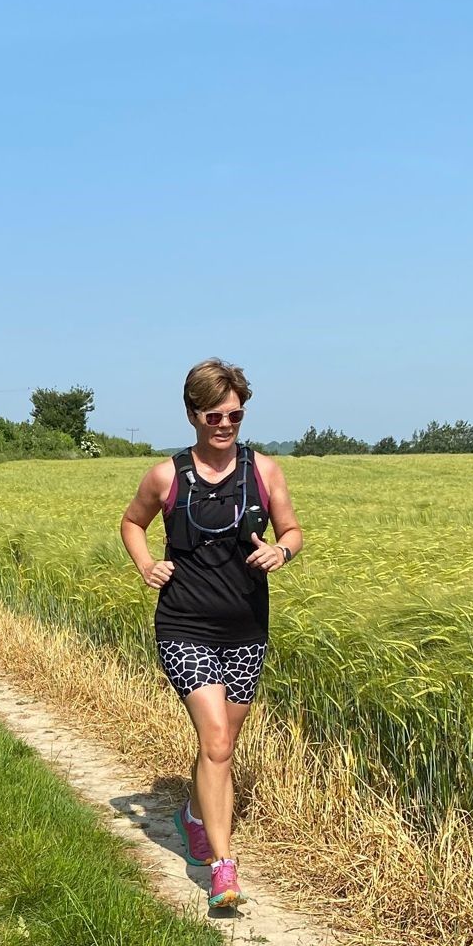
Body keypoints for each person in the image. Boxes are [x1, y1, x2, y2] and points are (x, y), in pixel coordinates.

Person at [120, 358, 302, 913]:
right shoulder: (167, 476)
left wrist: (282, 549)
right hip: (184, 624)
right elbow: (132, 522)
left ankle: (194, 815)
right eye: (214, 414)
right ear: (193, 414)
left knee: (222, 743)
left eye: (235, 414)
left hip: (246, 626)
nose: (226, 424)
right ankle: (223, 869)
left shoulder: (264, 472)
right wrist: (146, 563)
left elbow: (293, 529)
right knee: (217, 741)